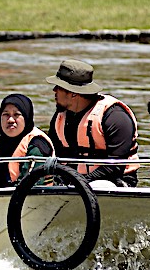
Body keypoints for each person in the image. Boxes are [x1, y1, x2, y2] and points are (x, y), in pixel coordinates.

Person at [46, 58, 140, 187]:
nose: (54, 91)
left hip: (114, 182)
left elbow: (115, 166)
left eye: (59, 87)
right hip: (72, 182)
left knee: (99, 186)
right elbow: (55, 156)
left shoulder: (115, 116)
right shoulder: (60, 117)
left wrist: (81, 182)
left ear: (73, 93)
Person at [0, 93, 54, 188]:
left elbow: (28, 183)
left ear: (26, 117)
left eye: (16, 114)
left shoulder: (37, 144)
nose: (10, 120)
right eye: (6, 114)